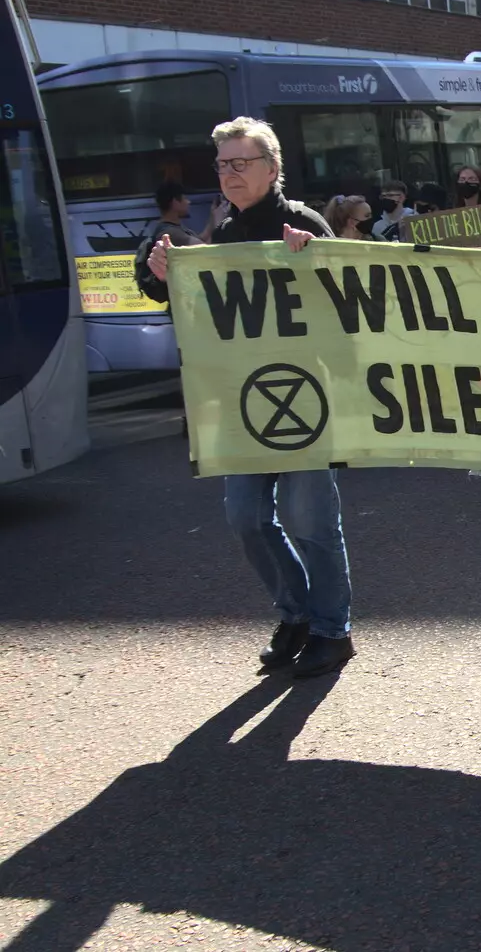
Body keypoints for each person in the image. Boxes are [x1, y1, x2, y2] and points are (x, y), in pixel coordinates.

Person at [144, 117, 354, 677]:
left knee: (311, 521)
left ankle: (333, 630)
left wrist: (318, 260)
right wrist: (166, 277)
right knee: (246, 518)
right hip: (244, 404)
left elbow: (349, 302)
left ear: (272, 168)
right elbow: (202, 315)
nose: (229, 173)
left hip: (305, 399)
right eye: (222, 164)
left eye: (241, 162)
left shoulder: (302, 222)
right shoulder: (226, 234)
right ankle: (296, 615)